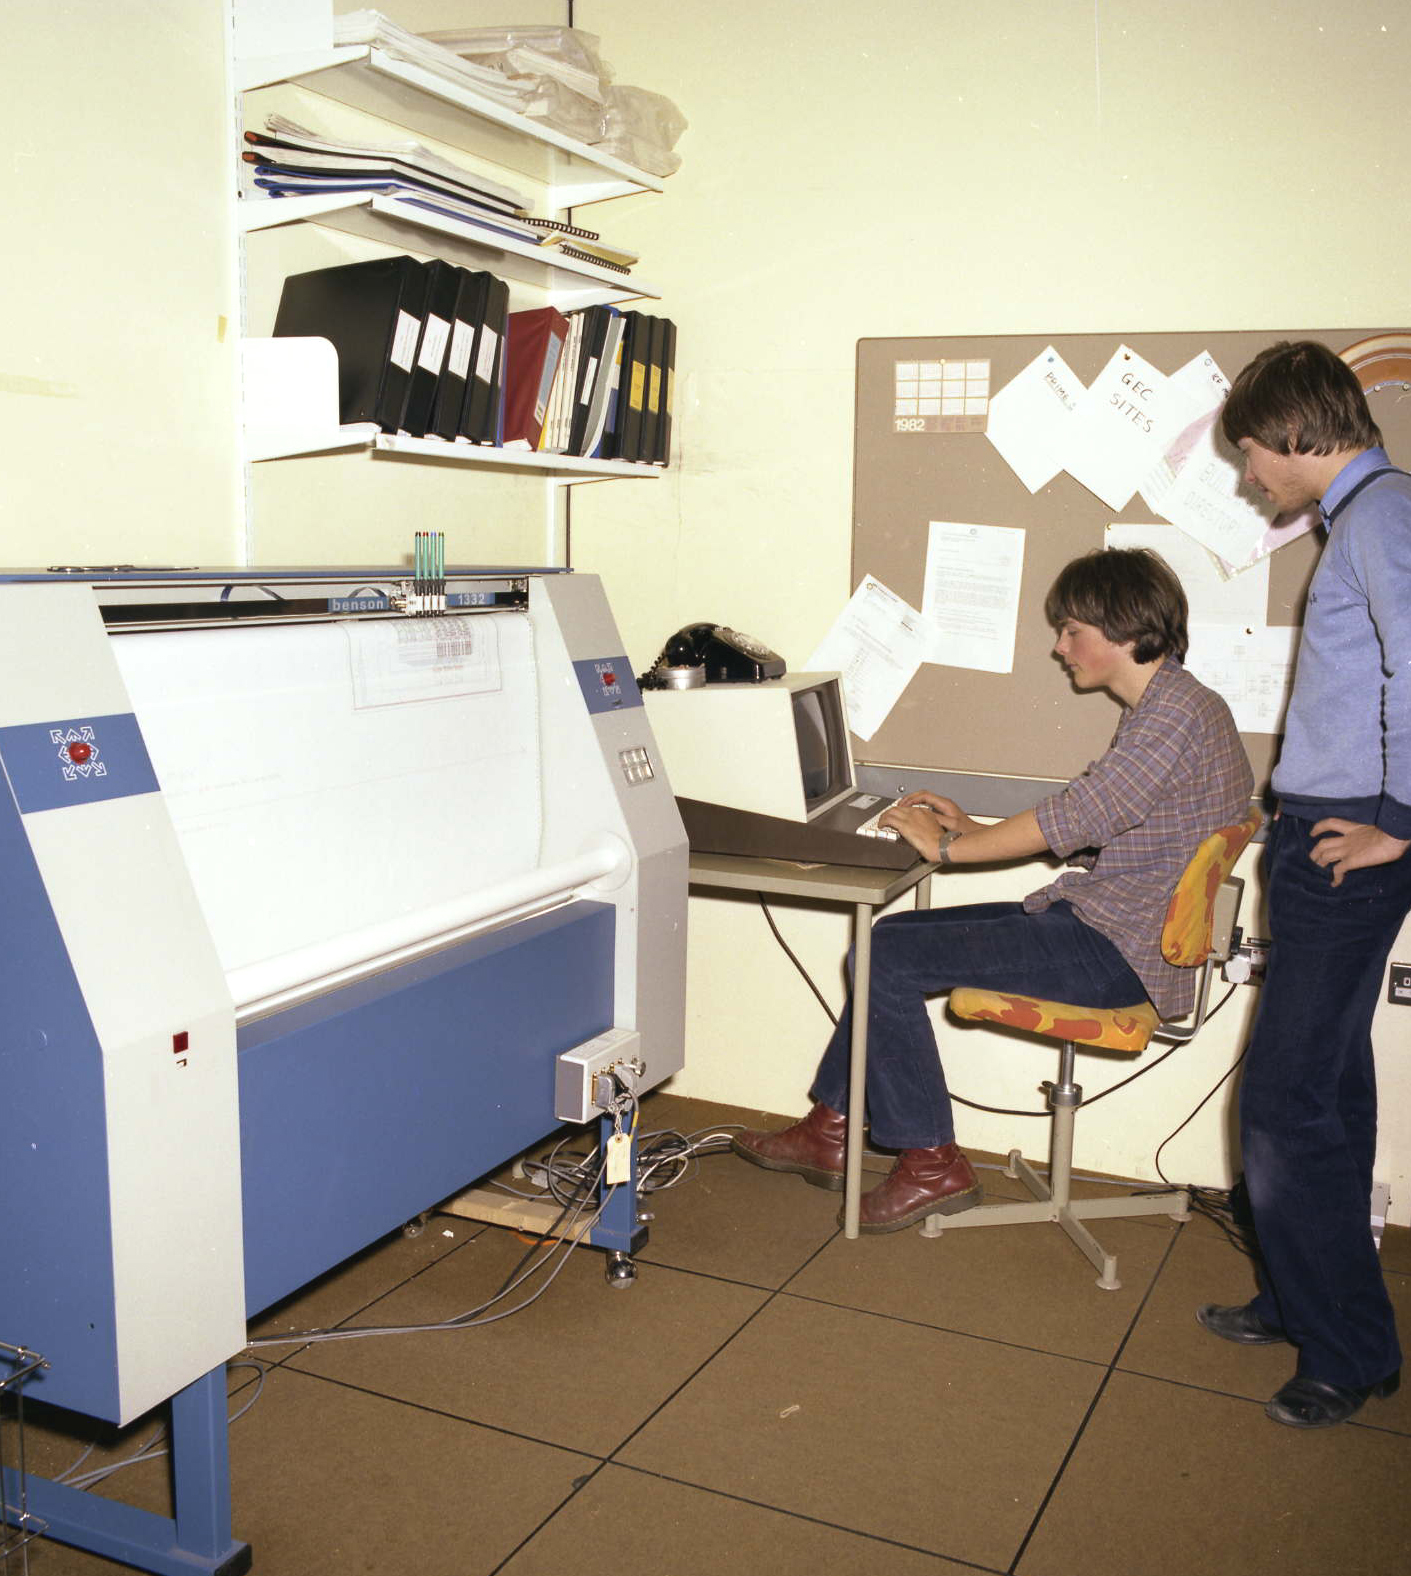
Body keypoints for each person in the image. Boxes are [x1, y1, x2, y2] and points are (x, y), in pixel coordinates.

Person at [733, 548, 1254, 1236]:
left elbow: (1079, 816)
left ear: (1123, 630)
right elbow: (1119, 826)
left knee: (885, 955)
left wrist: (948, 848)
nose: (1059, 647)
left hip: (1115, 950)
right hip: (1118, 932)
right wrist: (974, 829)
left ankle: (930, 1163)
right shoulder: (1181, 705)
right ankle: (832, 1125)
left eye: (1072, 631)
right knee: (887, 940)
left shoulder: (1169, 717)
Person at [1197, 340, 1411, 1429]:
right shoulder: (1363, 517)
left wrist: (1400, 825)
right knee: (1329, 1085)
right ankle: (1300, 1298)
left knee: (1284, 1102)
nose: (1249, 476)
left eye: (1250, 453)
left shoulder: (1382, 517)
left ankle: (1348, 1350)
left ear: (1293, 434)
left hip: (1348, 844)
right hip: (1319, 832)